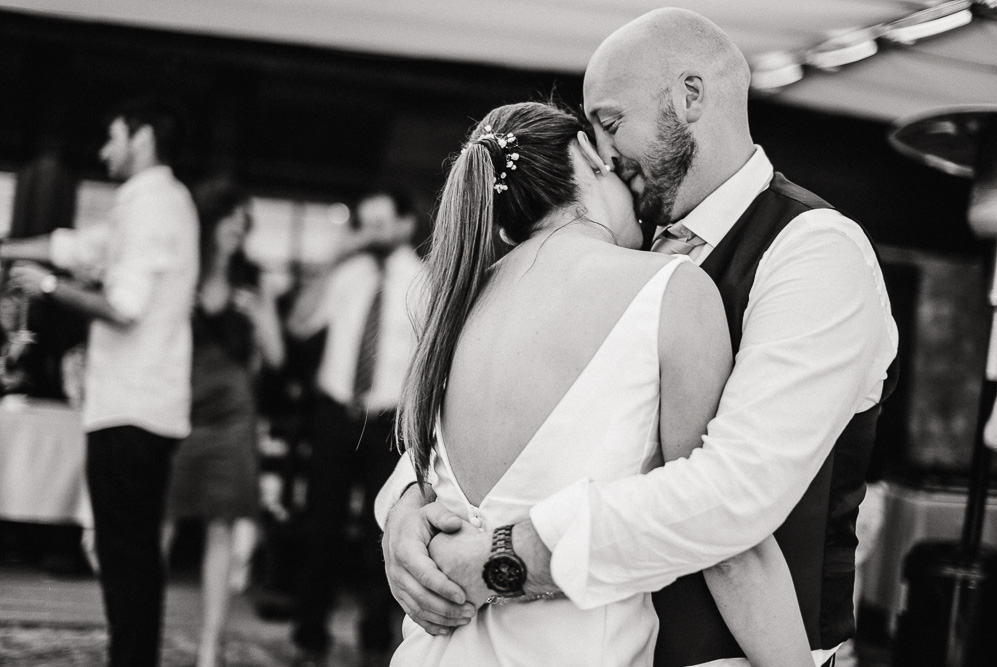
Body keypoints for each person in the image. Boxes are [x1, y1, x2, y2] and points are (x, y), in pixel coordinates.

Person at [380, 9, 898, 667]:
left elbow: (732, 492)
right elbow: (493, 435)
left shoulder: (812, 250)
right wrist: (404, 510)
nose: (600, 150)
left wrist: (505, 553)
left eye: (610, 121)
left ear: (690, 96)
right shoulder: (631, 257)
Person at [0, 97, 199, 667]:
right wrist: (11, 251)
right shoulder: (152, 203)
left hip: (132, 408)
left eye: (112, 138)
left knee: (126, 555)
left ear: (141, 139)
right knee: (127, 553)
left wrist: (44, 288)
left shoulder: (153, 206)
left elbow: (123, 306)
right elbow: (79, 248)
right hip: (137, 406)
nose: (103, 150)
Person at [285, 188, 423, 665]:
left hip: (390, 423)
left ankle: (376, 633)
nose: (371, 234)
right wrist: (328, 262)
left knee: (381, 531)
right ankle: (309, 630)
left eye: (380, 223)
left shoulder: (424, 283)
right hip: (334, 414)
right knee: (319, 524)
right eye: (364, 224)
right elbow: (300, 326)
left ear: (405, 225)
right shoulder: (344, 276)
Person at [162, 179, 285, 667]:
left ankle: (210, 648)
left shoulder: (252, 280)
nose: (238, 226)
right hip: (177, 409)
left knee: (222, 527)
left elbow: (275, 356)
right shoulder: (181, 272)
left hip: (232, 415)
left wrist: (258, 315)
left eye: (243, 220)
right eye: (230, 217)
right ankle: (140, 627)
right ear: (209, 221)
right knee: (161, 519)